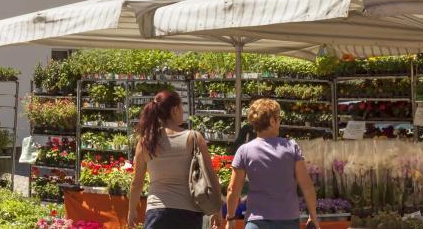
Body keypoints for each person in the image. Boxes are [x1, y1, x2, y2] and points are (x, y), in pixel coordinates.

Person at [128, 90, 223, 229]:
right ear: (174, 110)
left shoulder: (146, 142)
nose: (183, 111)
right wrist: (216, 208)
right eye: (181, 107)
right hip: (189, 214)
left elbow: (137, 183)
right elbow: (211, 176)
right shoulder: (194, 138)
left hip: (157, 212)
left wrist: (131, 210)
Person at [225, 99, 320, 229]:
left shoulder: (244, 151)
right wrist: (313, 216)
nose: (279, 122)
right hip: (288, 221)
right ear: (272, 121)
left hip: (257, 222)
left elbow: (233, 189)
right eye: (278, 118)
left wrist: (230, 218)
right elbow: (307, 185)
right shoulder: (291, 147)